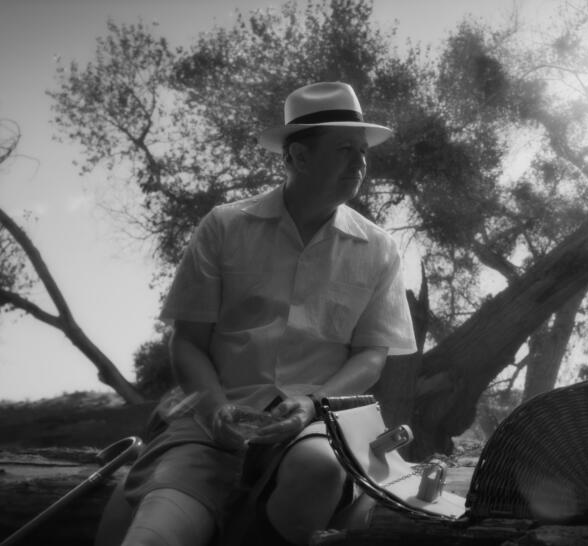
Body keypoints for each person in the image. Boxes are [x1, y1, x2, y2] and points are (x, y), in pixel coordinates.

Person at [95, 81, 418, 546]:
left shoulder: (379, 249)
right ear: (298, 158)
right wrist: (215, 410)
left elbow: (372, 355)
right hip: (211, 422)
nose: (360, 162)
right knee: (154, 536)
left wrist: (313, 404)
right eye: (345, 149)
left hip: (312, 423)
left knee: (320, 468)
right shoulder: (225, 226)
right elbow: (187, 341)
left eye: (363, 150)